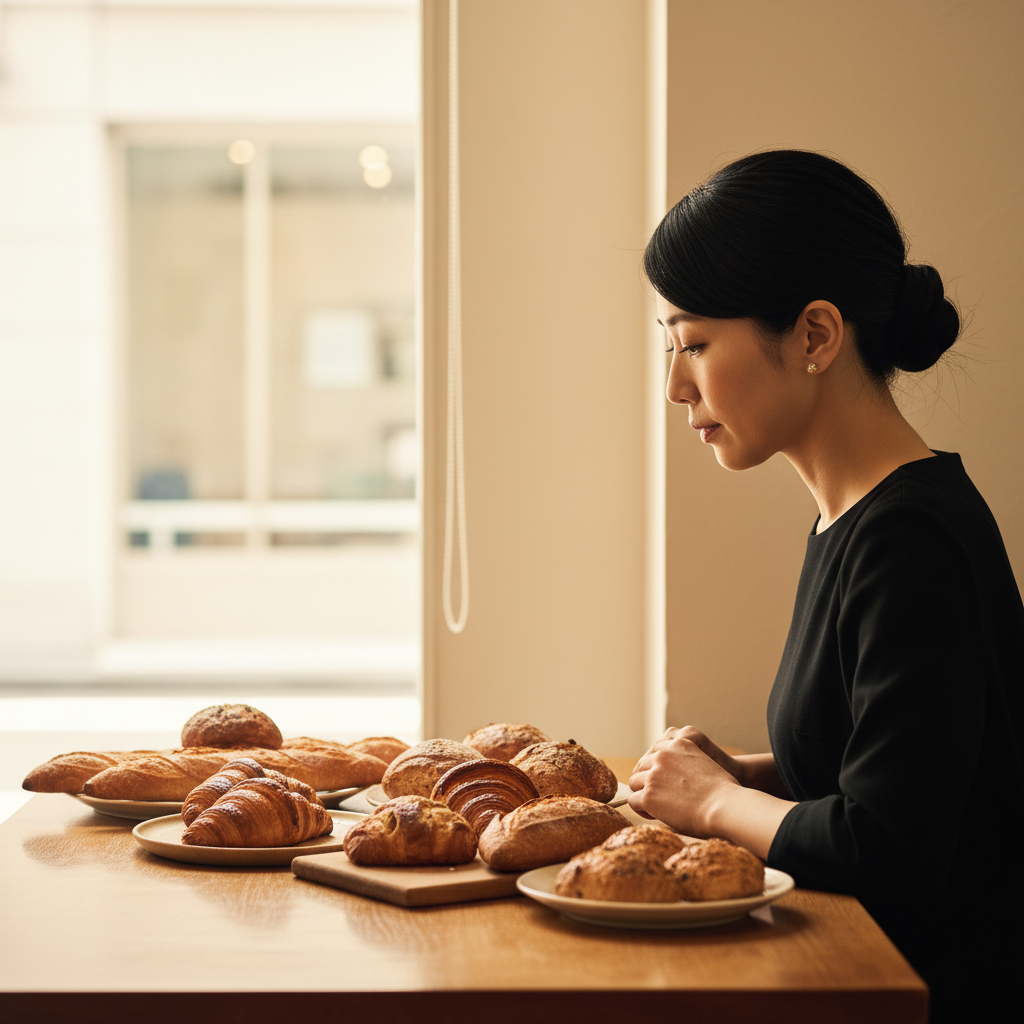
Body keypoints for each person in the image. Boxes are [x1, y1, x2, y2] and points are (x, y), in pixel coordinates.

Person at [628, 150, 1023, 1024]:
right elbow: (899, 756)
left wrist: (716, 801)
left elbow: (886, 847)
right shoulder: (857, 520)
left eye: (694, 343)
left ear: (814, 336)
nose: (675, 385)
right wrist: (747, 773)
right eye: (669, 345)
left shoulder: (910, 539)